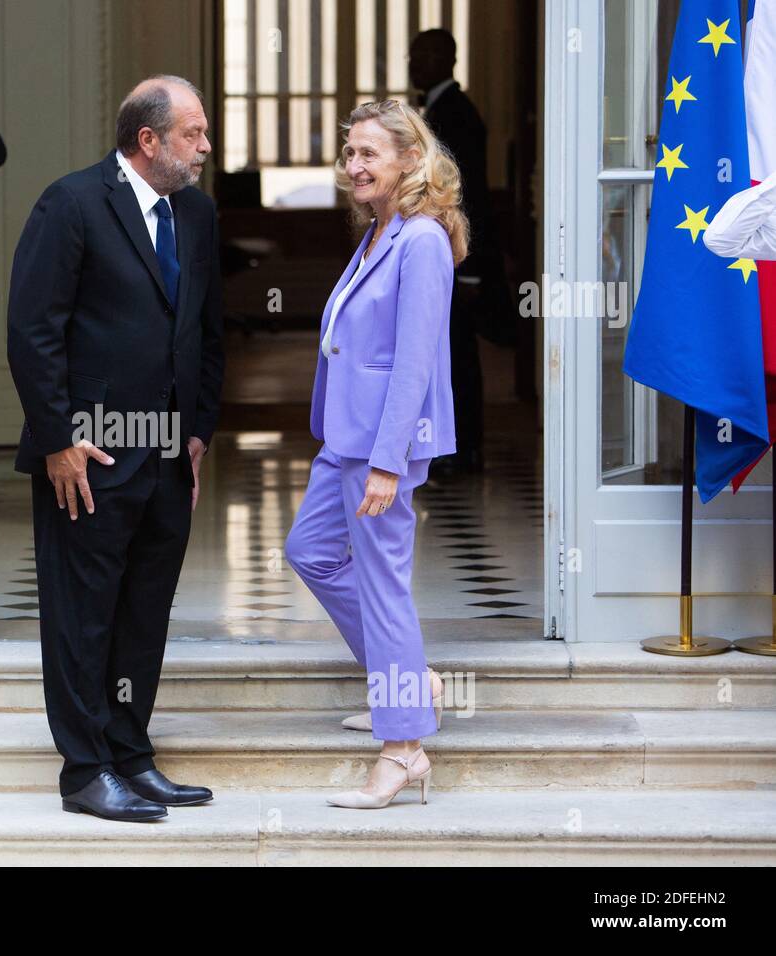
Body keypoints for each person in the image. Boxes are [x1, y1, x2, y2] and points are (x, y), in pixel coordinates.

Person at [7, 75, 224, 822]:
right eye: (193, 134)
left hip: (166, 458)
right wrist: (59, 441)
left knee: (143, 612)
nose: (205, 147)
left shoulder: (195, 214)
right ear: (148, 140)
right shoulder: (71, 204)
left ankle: (130, 752)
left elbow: (206, 330)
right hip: (89, 461)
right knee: (82, 614)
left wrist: (197, 432)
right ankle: (85, 770)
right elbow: (33, 333)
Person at [284, 99, 465, 809]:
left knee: (384, 584)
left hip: (380, 444)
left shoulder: (420, 240)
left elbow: (416, 360)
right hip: (346, 437)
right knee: (310, 549)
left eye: (368, 154)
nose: (353, 165)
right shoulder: (378, 231)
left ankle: (403, 749)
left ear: (410, 160)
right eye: (349, 152)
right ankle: (409, 683)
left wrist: (390, 460)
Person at [408, 28, 499, 476]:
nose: (412, 63)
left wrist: (469, 271)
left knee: (457, 355)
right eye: (411, 55)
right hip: (443, 258)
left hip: (455, 259)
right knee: (446, 351)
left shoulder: (455, 114)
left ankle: (462, 448)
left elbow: (470, 197)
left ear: (448, 59)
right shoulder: (439, 109)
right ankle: (454, 446)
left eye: (422, 55)